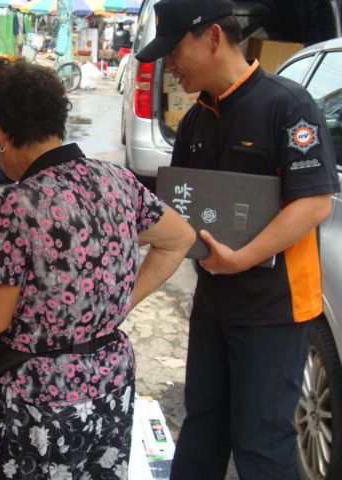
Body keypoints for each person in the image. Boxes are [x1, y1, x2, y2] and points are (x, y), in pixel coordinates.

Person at [0, 57, 195, 479]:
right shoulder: (117, 180)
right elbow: (180, 238)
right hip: (110, 383)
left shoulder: (19, 204)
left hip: (42, 402)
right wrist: (116, 306)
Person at [135, 0, 341, 479]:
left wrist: (242, 258)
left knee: (261, 444)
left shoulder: (288, 106)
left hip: (274, 311)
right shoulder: (196, 120)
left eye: (174, 51)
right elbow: (177, 212)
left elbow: (313, 204)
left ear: (212, 37)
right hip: (213, 305)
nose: (170, 66)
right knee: (203, 428)